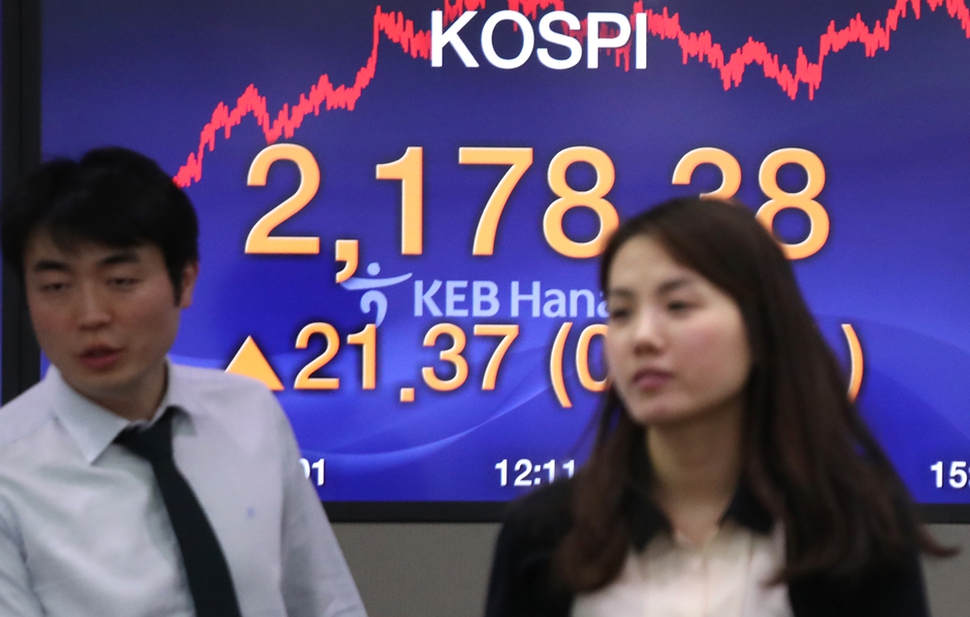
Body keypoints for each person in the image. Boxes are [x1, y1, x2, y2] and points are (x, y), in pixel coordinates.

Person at [484, 197, 950, 617]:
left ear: (761, 328)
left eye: (678, 306)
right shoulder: (544, 534)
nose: (642, 337)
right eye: (621, 312)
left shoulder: (853, 526)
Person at [0, 147, 368, 617]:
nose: (90, 315)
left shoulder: (249, 412)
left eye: (121, 280)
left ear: (185, 280)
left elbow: (325, 601)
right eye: (56, 287)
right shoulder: (9, 470)